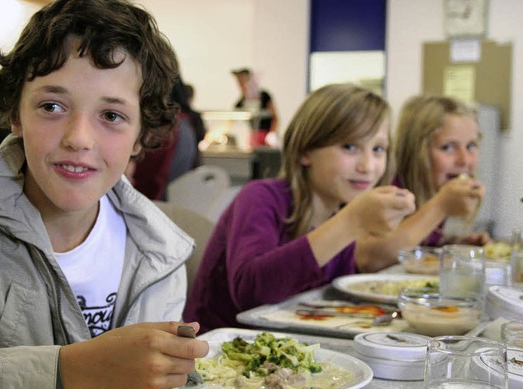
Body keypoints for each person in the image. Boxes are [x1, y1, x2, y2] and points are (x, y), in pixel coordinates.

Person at [0, 0, 209, 388]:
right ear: (16, 116)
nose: (78, 138)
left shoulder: (159, 251)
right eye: (52, 106)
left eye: (112, 116)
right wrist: (67, 370)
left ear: (139, 136)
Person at [183, 83, 416, 333]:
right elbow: (251, 295)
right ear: (306, 151)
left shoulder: (338, 212)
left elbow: (329, 300)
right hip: (216, 352)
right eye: (350, 147)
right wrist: (351, 222)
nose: (368, 166)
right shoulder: (260, 197)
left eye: (378, 149)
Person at [354, 95, 489, 273]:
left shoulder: (431, 189)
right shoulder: (390, 190)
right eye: (448, 147)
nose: (464, 160)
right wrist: (440, 206)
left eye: (471, 146)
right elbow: (371, 259)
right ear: (417, 150)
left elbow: (412, 245)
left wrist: (450, 244)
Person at [232, 67, 278, 147]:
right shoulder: (241, 102)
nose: (241, 84)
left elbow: (275, 117)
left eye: (242, 81)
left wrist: (272, 133)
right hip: (253, 136)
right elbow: (230, 120)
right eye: (239, 82)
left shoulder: (264, 96)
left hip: (266, 135)